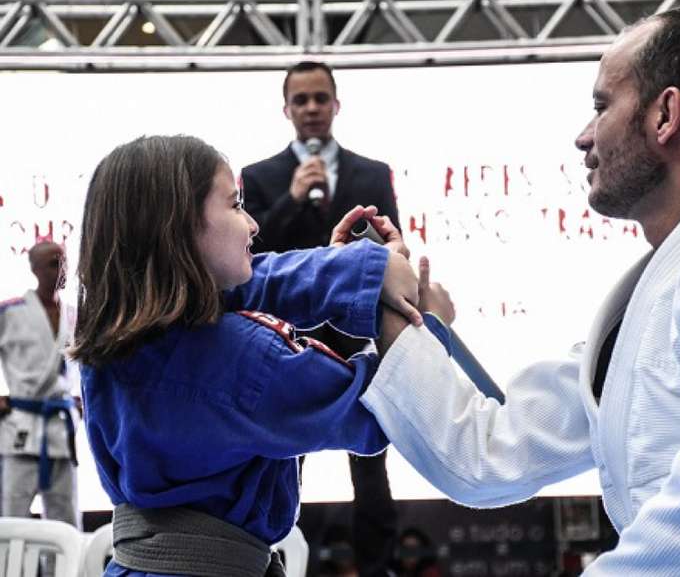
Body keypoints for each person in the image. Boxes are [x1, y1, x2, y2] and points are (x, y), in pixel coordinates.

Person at [359, 6, 680, 575]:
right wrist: (397, 313)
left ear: (666, 115)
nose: (584, 137)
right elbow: (486, 455)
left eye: (602, 105)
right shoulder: (643, 302)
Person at [71, 134, 450, 577]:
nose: (252, 225)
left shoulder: (113, 338)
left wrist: (360, 272)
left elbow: (257, 283)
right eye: (234, 206)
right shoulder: (244, 362)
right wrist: (425, 325)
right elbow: (382, 408)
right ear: (180, 227)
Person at [241, 60, 401, 577]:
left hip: (356, 336)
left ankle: (379, 568)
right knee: (286, 463)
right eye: (301, 100)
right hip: (286, 340)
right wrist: (290, 199)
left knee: (372, 465)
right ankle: (281, 563)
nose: (311, 109)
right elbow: (248, 252)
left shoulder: (371, 174)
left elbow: (389, 251)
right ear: (286, 109)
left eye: (320, 98)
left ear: (336, 104)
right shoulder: (259, 177)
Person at [0, 241, 80, 529]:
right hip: (20, 426)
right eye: (52, 263)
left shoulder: (74, 314)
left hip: (60, 427)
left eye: (63, 262)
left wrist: (79, 399)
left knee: (67, 521)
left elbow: (90, 365)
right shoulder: (9, 313)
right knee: (10, 520)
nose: (61, 269)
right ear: (34, 269)